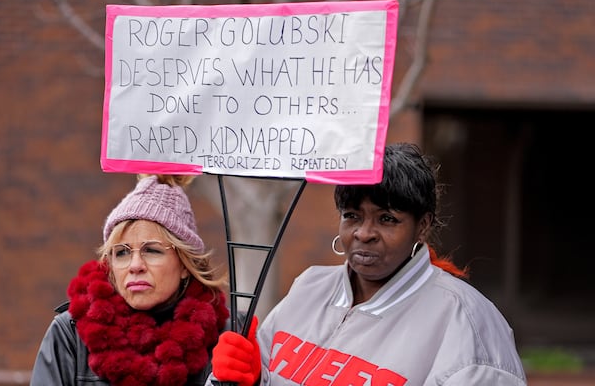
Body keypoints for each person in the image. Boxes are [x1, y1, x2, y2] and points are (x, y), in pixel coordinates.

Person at [211, 143, 527, 385]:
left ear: (422, 225)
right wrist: (250, 379)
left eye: (387, 219)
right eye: (352, 216)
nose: (364, 233)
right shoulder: (310, 286)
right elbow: (259, 372)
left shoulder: (466, 322)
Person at [31, 174, 230, 386]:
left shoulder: (226, 338)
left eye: (152, 250)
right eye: (122, 253)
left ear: (184, 265)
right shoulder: (70, 335)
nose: (135, 265)